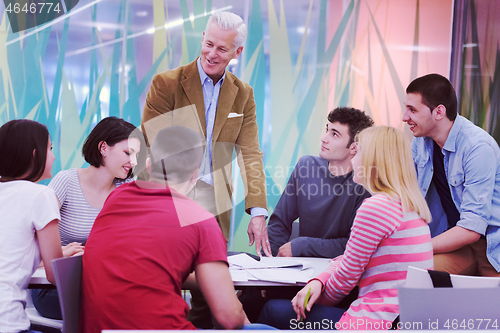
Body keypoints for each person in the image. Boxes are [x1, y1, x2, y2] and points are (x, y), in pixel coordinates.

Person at [80, 126, 273, 332]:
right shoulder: (201, 221)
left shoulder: (115, 199)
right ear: (195, 176)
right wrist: (224, 289)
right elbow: (229, 319)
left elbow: (145, 271)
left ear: (148, 165)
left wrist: (208, 282)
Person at [257, 126, 433, 330]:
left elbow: (345, 279)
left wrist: (308, 304)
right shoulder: (408, 205)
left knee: (271, 309)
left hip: (375, 322)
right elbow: (349, 258)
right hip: (398, 319)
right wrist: (319, 280)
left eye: (357, 152)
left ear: (372, 160)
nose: (353, 158)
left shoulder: (377, 207)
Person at [141, 11, 269, 256]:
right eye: (209, 44)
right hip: (169, 196)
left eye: (222, 49)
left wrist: (258, 212)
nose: (211, 54)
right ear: (202, 39)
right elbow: (154, 144)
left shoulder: (243, 95)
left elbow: (250, 154)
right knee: (164, 274)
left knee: (210, 281)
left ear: (237, 52)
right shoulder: (166, 84)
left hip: (215, 202)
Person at [32, 116, 144, 319]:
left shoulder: (126, 189)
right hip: (55, 287)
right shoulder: (66, 181)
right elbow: (28, 244)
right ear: (103, 148)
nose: (133, 161)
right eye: (128, 153)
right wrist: (62, 253)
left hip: (105, 284)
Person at [403, 73, 500, 276]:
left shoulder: (478, 147)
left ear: (439, 112)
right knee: (411, 275)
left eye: (412, 109)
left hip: (489, 247)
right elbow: (407, 197)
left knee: (491, 307)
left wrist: (416, 247)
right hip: (448, 240)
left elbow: (472, 229)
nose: (405, 117)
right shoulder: (420, 141)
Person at [267, 107, 373, 258]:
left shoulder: (363, 183)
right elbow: (279, 222)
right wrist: (270, 263)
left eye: (335, 134)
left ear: (354, 148)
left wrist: (303, 245)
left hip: (338, 270)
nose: (324, 138)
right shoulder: (306, 166)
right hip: (300, 268)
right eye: (327, 130)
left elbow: (355, 245)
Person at [0, 119, 63, 333]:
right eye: (51, 148)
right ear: (36, 154)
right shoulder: (40, 195)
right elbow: (56, 273)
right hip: (7, 324)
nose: (54, 156)